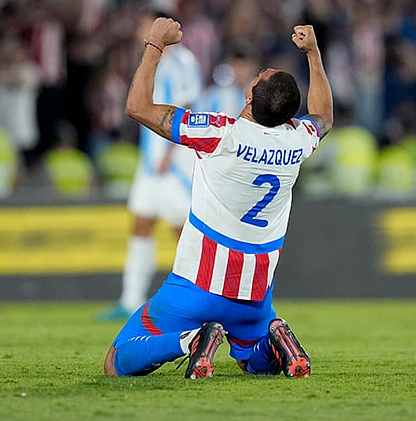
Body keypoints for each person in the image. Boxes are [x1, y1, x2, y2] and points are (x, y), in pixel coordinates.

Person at [103, 19, 333, 380]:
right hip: (255, 294)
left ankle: (191, 341)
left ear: (250, 95)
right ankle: (273, 342)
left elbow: (136, 106)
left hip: (199, 285)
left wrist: (154, 45)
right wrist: (314, 54)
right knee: (250, 360)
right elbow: (324, 116)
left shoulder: (218, 133)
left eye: (257, 77)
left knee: (117, 361)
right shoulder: (297, 140)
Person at [97, 10, 202, 321]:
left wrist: (171, 152)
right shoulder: (153, 61)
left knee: (182, 231)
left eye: (148, 24)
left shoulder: (183, 62)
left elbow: (189, 106)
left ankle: (200, 297)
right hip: (150, 163)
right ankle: (129, 301)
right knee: (141, 224)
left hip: (174, 163)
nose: (143, 30)